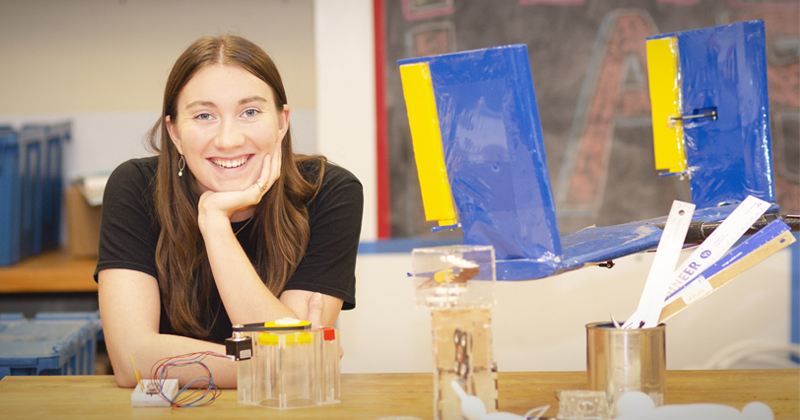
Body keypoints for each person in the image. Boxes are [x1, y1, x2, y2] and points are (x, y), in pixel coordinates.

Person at [95, 35, 363, 388]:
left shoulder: (330, 192)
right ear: (174, 132)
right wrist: (279, 364)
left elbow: (293, 358)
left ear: (281, 122)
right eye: (204, 115)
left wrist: (215, 222)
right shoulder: (134, 187)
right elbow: (131, 359)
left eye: (250, 112)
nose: (228, 139)